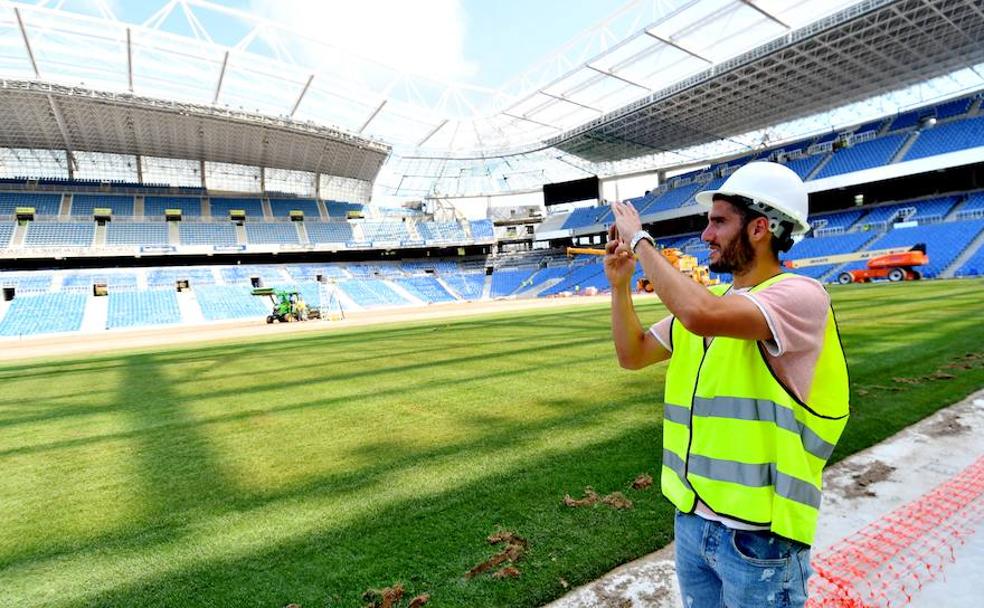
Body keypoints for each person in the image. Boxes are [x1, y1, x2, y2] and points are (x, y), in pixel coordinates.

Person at [605, 162, 849, 607]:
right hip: (694, 522)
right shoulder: (713, 300)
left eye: (718, 222)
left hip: (761, 538)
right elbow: (633, 354)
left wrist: (640, 241)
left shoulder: (800, 295)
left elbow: (701, 318)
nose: (705, 235)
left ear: (760, 228)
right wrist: (620, 287)